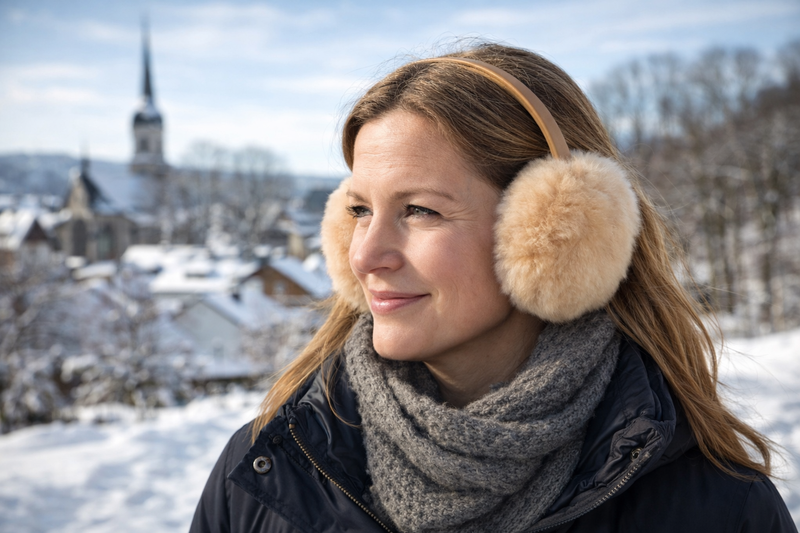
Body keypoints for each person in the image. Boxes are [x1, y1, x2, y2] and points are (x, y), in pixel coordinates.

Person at [190, 43, 797, 533]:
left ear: (560, 234)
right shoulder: (268, 471)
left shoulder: (715, 508)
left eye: (420, 210)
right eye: (357, 211)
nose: (366, 255)